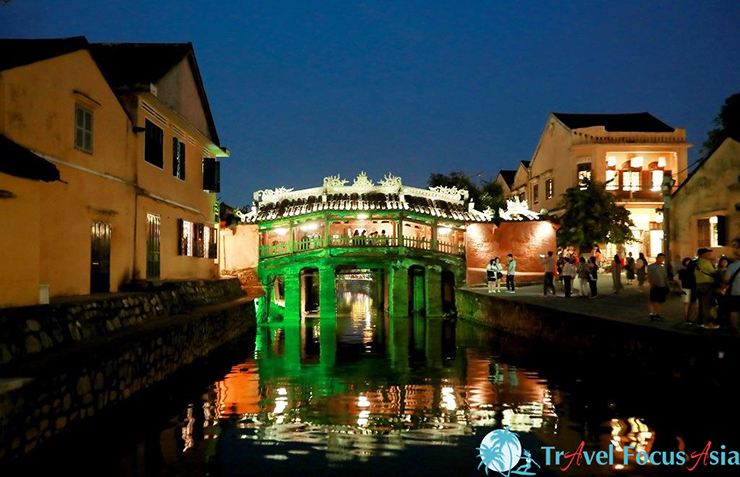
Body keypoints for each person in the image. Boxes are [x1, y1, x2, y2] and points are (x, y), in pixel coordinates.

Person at [694, 248, 719, 328]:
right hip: (706, 285)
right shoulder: (705, 262)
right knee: (706, 305)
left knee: (702, 304)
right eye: (708, 253)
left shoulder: (698, 262)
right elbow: (713, 272)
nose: (710, 255)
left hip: (699, 285)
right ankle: (707, 323)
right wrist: (715, 264)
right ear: (703, 254)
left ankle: (700, 321)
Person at [723, 238, 740, 331]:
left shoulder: (732, 266)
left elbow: (726, 280)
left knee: (734, 311)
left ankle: (734, 329)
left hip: (735, 293)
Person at [647, 253, 669, 321]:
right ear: (657, 258)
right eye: (660, 258)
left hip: (662, 286)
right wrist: (651, 284)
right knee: (653, 300)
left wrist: (667, 285)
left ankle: (655, 313)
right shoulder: (651, 267)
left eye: (663, 258)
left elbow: (665, 277)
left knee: (661, 301)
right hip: (655, 286)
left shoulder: (663, 268)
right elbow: (649, 276)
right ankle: (652, 313)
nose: (661, 259)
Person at [677, 257, 697, 324]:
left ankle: (694, 316)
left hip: (693, 288)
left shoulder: (694, 271)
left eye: (689, 262)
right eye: (687, 262)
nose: (688, 263)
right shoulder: (682, 271)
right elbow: (679, 280)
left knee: (694, 303)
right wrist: (680, 288)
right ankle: (687, 317)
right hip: (685, 288)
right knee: (686, 303)